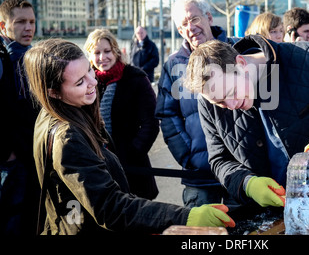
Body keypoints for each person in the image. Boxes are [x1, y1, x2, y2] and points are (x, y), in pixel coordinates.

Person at [23, 38, 234, 235]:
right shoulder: (67, 136)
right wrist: (185, 216)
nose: (93, 82)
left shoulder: (64, 110)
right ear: (53, 92)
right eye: (79, 82)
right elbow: (109, 207)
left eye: (89, 70)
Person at [184, 35, 309, 209]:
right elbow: (220, 159)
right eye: (220, 102)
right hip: (269, 215)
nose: (231, 104)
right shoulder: (207, 103)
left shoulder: (307, 57)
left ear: (241, 63)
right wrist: (247, 183)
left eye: (231, 91)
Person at [155, 0, 239, 208]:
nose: (190, 27)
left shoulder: (237, 50)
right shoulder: (173, 65)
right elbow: (167, 115)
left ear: (209, 18)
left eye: (194, 18)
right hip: (200, 174)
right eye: (184, 24)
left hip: (242, 168)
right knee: (200, 234)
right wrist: (188, 156)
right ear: (180, 31)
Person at [84, 28, 159, 200]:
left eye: (107, 51)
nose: (102, 57)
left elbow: (151, 123)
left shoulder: (136, 78)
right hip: (99, 167)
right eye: (97, 53)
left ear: (116, 51)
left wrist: (133, 153)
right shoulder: (87, 82)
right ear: (89, 56)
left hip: (132, 166)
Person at [0, 0, 40, 235]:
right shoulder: (4, 59)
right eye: (21, 22)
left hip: (28, 152)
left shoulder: (30, 57)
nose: (28, 28)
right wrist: (7, 152)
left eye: (32, 22)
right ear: (3, 26)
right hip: (10, 159)